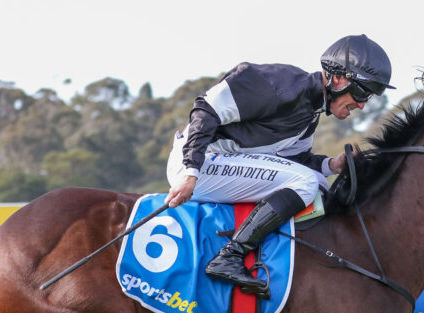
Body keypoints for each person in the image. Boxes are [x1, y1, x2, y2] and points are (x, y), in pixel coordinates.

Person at [166, 34, 394, 295]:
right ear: (338, 78)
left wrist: (332, 165)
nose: (362, 105)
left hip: (217, 166)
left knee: (319, 184)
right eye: (362, 92)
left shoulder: (310, 115)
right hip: (198, 164)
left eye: (369, 97)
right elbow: (205, 109)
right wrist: (191, 171)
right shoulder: (278, 84)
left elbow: (294, 161)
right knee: (306, 182)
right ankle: (230, 256)